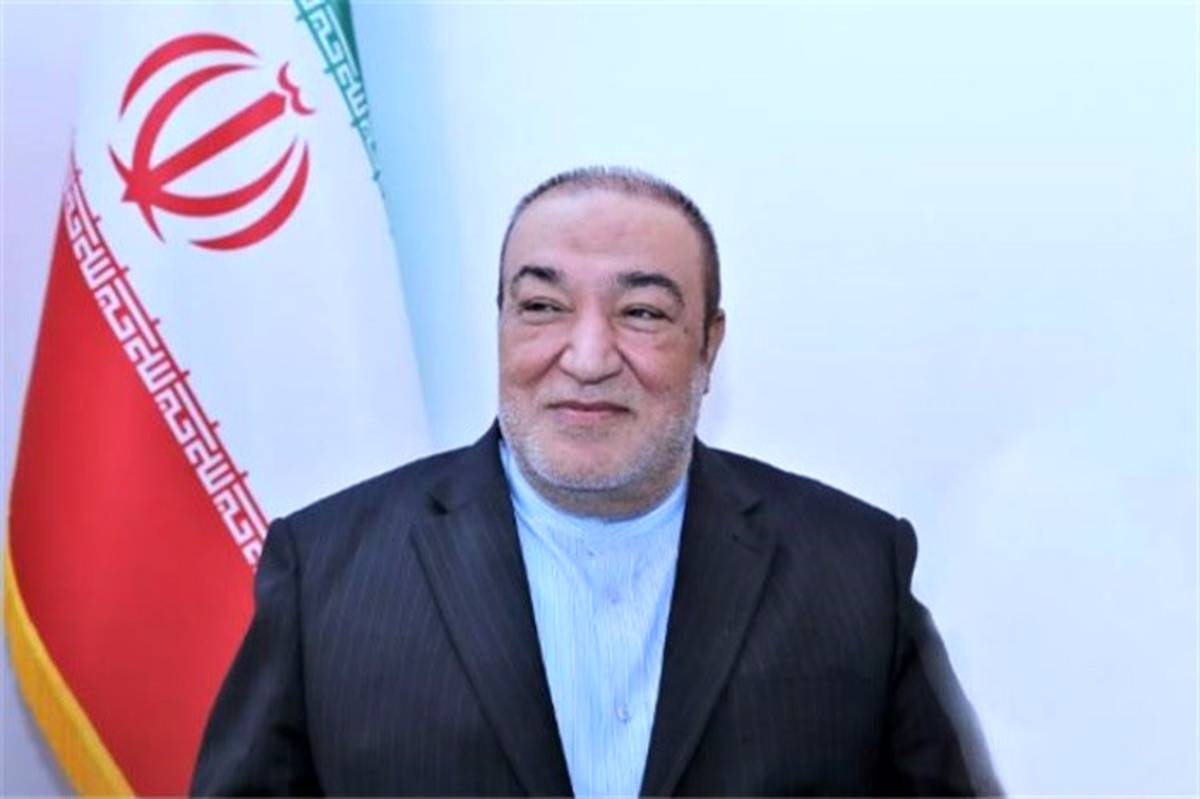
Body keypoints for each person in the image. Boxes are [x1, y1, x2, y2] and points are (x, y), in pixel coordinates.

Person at [191, 167, 1001, 796]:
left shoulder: (854, 567)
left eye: (642, 313)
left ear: (709, 345)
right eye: (543, 306)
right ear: (501, 323)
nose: (586, 358)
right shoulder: (327, 569)